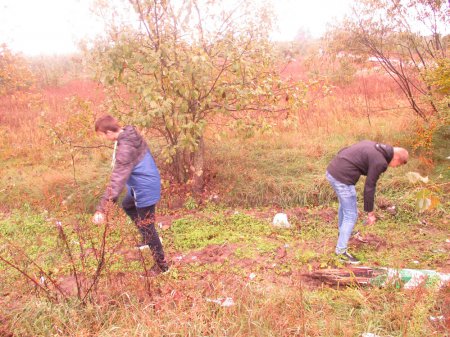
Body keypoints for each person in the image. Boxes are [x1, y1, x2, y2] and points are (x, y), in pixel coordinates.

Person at [92, 115, 169, 274]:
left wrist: (102, 209)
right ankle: (147, 239)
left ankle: (162, 266)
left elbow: (117, 181)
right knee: (128, 205)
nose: (101, 138)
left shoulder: (125, 149)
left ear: (108, 132)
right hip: (142, 183)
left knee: (148, 226)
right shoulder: (128, 132)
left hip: (145, 187)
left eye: (101, 134)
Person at [326, 140, 409, 264]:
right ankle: (341, 252)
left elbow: (344, 149)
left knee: (345, 206)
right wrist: (370, 213)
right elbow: (370, 186)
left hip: (332, 171)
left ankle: (343, 231)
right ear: (396, 158)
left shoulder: (373, 145)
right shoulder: (380, 162)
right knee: (351, 215)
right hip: (342, 178)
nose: (395, 167)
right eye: (398, 165)